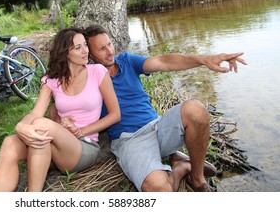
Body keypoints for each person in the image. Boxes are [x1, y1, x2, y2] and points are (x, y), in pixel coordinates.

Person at [81, 25, 247, 192]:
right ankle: (181, 167)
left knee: (196, 109)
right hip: (130, 140)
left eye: (109, 44)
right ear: (90, 55)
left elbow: (163, 61)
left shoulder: (126, 61)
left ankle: (197, 178)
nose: (110, 51)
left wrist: (204, 60)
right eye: (102, 49)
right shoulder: (87, 79)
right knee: (160, 189)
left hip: (158, 128)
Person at [0, 27, 120, 192]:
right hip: (55, 141)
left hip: (84, 147)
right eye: (78, 47)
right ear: (65, 53)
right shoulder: (51, 81)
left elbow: (115, 115)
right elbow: (36, 112)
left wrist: (81, 131)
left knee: (42, 126)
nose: (85, 50)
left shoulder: (97, 72)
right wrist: (20, 128)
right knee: (9, 143)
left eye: (85, 45)